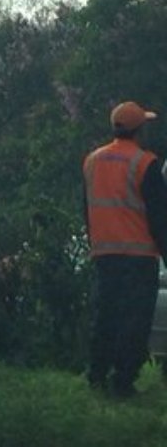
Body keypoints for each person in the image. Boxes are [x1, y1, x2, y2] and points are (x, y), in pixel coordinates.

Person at [83, 100, 167, 397]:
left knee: (105, 316)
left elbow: (88, 208)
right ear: (139, 130)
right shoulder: (146, 163)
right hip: (139, 257)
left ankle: (95, 375)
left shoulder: (92, 160)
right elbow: (159, 217)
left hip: (105, 255)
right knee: (134, 322)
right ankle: (123, 383)